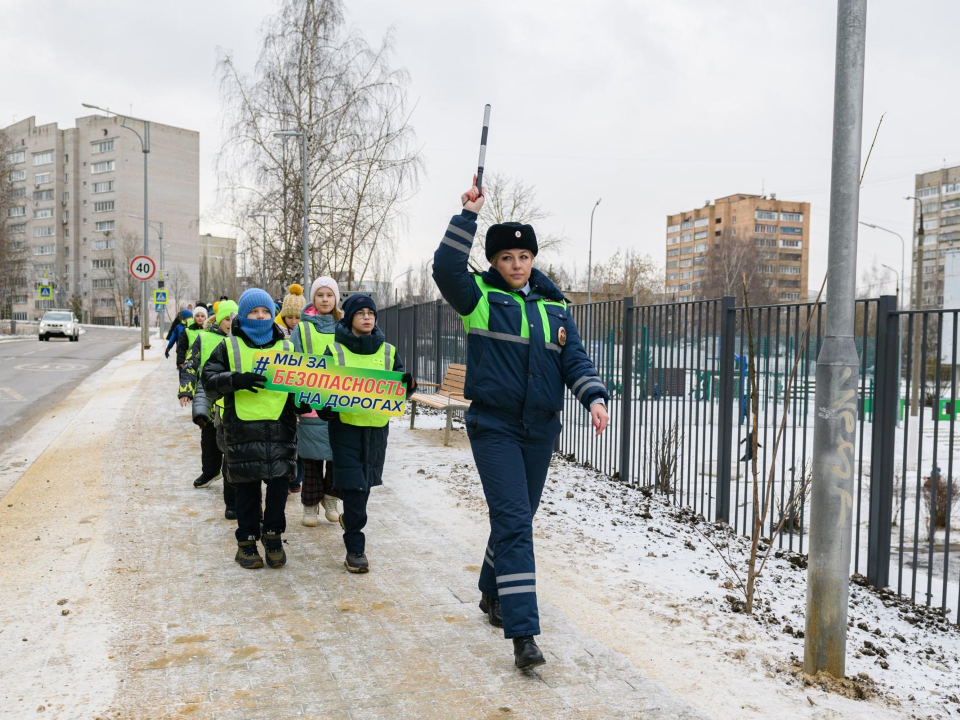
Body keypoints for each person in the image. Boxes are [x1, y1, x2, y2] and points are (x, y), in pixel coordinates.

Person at [432, 177, 610, 670]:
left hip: (540, 429)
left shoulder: (555, 306)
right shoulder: (480, 299)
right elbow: (446, 268)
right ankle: (524, 635)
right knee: (514, 523)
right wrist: (467, 217)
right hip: (494, 426)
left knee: (517, 520)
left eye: (523, 257)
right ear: (493, 262)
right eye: (507, 258)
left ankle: (491, 592)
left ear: (533, 259)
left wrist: (592, 397)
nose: (516, 265)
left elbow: (573, 359)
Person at [202, 288, 305, 570]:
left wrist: (304, 399)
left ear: (273, 315)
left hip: (280, 427)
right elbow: (208, 380)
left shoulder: (287, 346)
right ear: (243, 315)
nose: (260, 317)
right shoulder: (229, 345)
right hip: (242, 429)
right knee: (246, 489)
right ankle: (246, 543)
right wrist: (235, 380)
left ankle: (273, 536)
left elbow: (298, 388)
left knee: (278, 488)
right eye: (254, 312)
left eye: (265, 312)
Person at [320, 293, 414, 573]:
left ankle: (351, 516)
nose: (367, 317)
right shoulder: (335, 350)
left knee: (366, 483)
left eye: (370, 313)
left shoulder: (388, 351)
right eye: (360, 313)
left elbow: (399, 386)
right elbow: (321, 388)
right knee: (354, 485)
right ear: (349, 318)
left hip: (376, 429)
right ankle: (355, 549)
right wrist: (324, 406)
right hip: (345, 427)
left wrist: (408, 385)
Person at [179, 301, 239, 518]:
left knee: (230, 445)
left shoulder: (241, 340)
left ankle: (229, 483)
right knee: (209, 440)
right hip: (210, 399)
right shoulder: (204, 338)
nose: (230, 323)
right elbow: (190, 364)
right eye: (226, 319)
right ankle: (210, 471)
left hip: (234, 402)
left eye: (234, 319)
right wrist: (186, 390)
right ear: (218, 319)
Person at [292, 277, 343, 526]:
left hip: (339, 403)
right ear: (313, 298)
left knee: (337, 456)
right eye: (320, 295)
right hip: (310, 403)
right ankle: (310, 505)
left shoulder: (345, 326)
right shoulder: (301, 329)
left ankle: (331, 499)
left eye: (329, 295)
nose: (325, 299)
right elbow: (292, 365)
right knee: (311, 458)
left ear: (336, 299)